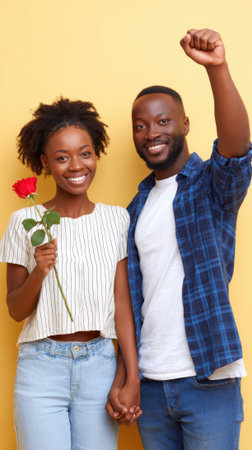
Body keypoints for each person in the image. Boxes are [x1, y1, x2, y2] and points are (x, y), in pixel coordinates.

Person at [106, 29, 252, 449]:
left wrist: (218, 69)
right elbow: (132, 302)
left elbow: (238, 148)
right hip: (150, 387)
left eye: (163, 121)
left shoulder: (210, 186)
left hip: (207, 380)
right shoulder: (135, 209)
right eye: (140, 125)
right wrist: (126, 378)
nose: (151, 132)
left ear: (185, 124)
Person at [0, 98, 141, 450]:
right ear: (45, 162)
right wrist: (40, 271)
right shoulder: (24, 222)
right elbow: (16, 310)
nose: (76, 165)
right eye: (62, 157)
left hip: (99, 364)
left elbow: (122, 303)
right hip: (41, 367)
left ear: (97, 154)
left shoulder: (116, 220)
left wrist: (132, 376)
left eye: (85, 153)